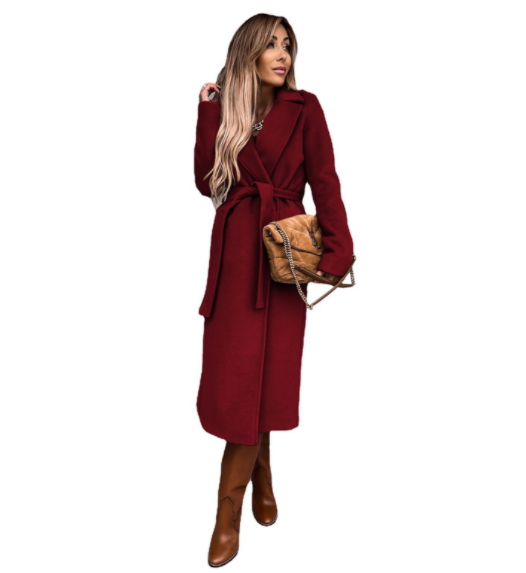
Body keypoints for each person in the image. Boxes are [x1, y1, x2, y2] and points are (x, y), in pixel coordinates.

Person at [194, 14, 355, 567]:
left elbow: (326, 180)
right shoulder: (229, 111)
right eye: (271, 44)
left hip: (282, 256)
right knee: (237, 382)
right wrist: (208, 111)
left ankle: (228, 514)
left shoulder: (305, 108)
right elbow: (207, 182)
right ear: (249, 52)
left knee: (268, 377)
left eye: (288, 44)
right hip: (237, 256)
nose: (283, 53)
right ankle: (255, 479)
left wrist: (338, 250)